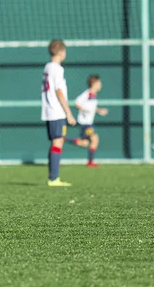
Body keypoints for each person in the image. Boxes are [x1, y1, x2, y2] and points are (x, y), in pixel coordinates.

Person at [41, 39, 77, 187]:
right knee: (58, 142)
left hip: (49, 111)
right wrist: (68, 113)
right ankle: (54, 178)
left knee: (56, 141)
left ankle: (53, 176)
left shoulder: (47, 67)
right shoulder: (57, 69)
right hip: (57, 111)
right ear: (61, 52)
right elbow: (59, 92)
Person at [71, 75, 108, 168]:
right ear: (93, 83)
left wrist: (99, 110)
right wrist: (84, 110)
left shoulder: (94, 95)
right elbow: (76, 103)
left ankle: (64, 139)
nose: (100, 85)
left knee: (85, 143)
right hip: (85, 124)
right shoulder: (87, 94)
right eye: (99, 83)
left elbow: (91, 107)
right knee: (95, 139)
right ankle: (90, 162)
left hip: (89, 123)